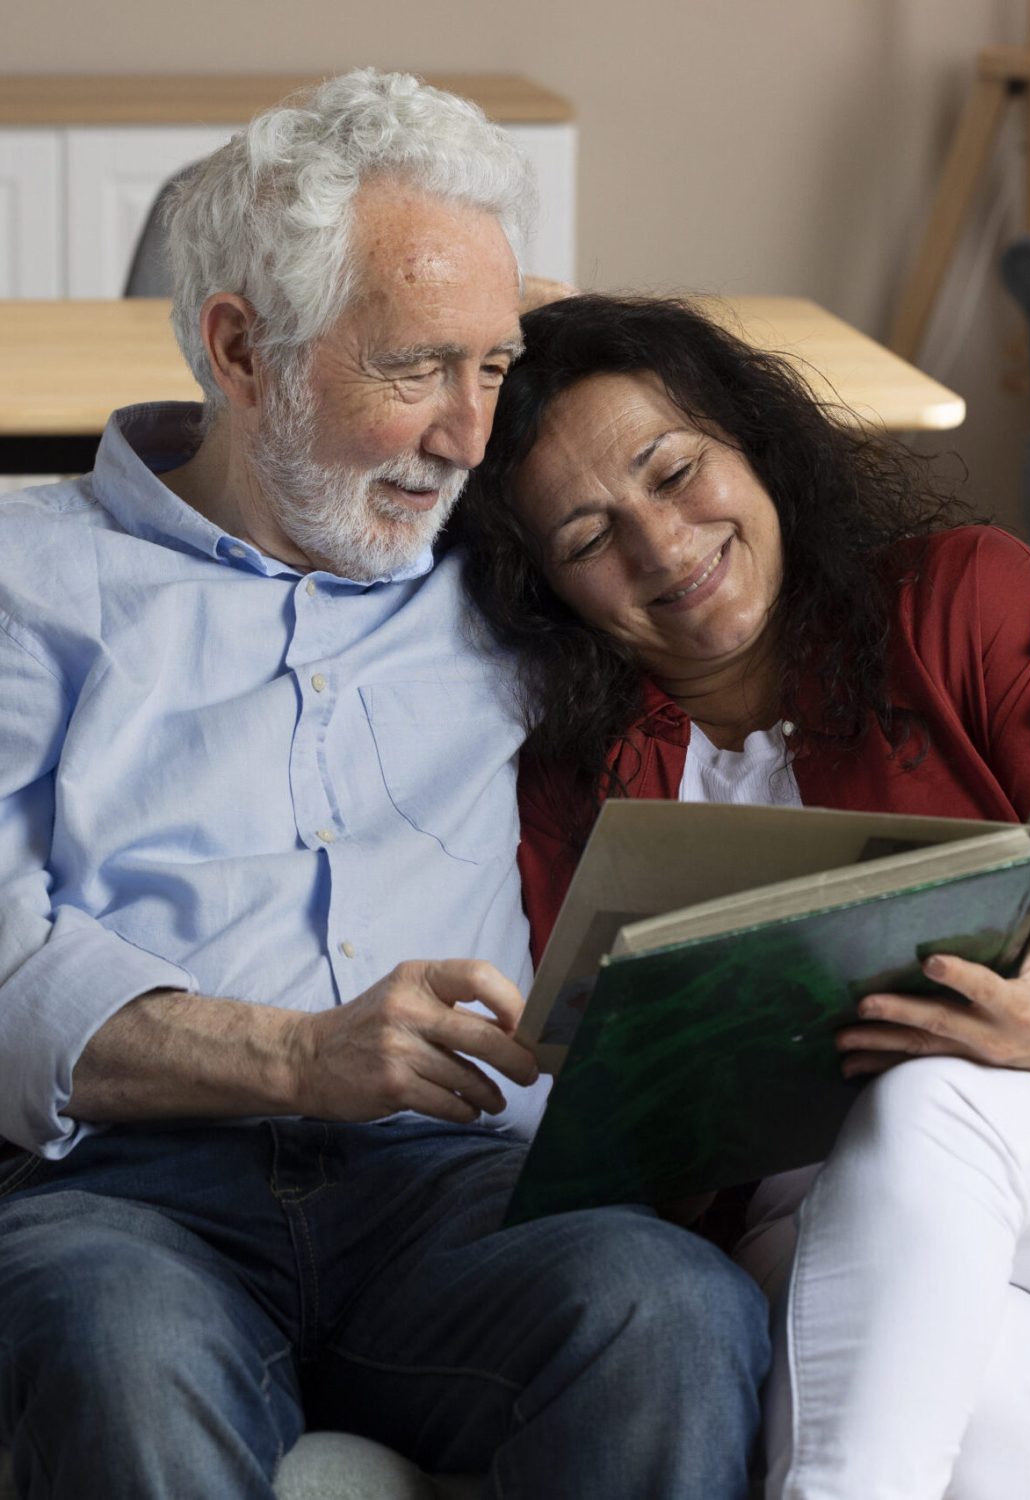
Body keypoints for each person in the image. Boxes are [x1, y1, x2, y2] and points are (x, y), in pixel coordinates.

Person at [0, 73, 777, 1500]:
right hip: (125, 1198)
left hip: (461, 1190)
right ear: (242, 351)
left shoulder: (516, 559)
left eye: (492, 365)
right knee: (109, 1339)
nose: (470, 436)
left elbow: (762, 589)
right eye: (416, 370)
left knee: (667, 1307)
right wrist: (294, 1058)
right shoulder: (26, 579)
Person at [457, 292, 1030, 1500]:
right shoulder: (567, 779)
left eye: (675, 469)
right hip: (840, 1234)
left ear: (751, 438)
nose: (661, 544)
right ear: (547, 587)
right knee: (996, 1412)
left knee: (929, 1106)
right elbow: (594, 1067)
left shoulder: (959, 599)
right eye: (590, 537)